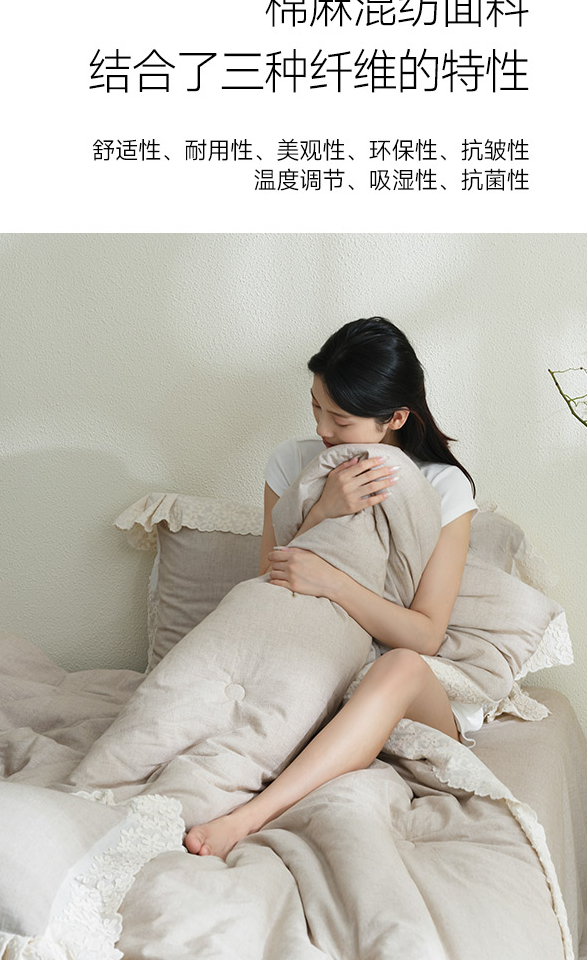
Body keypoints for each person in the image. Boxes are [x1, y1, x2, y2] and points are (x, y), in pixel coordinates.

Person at [184, 316, 479, 861]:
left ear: (396, 417)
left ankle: (250, 817)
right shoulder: (292, 462)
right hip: (310, 661)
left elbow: (425, 635)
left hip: (403, 690)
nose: (322, 429)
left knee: (401, 666)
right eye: (316, 407)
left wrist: (334, 583)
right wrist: (322, 510)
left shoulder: (443, 486)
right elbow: (271, 580)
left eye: (340, 419)